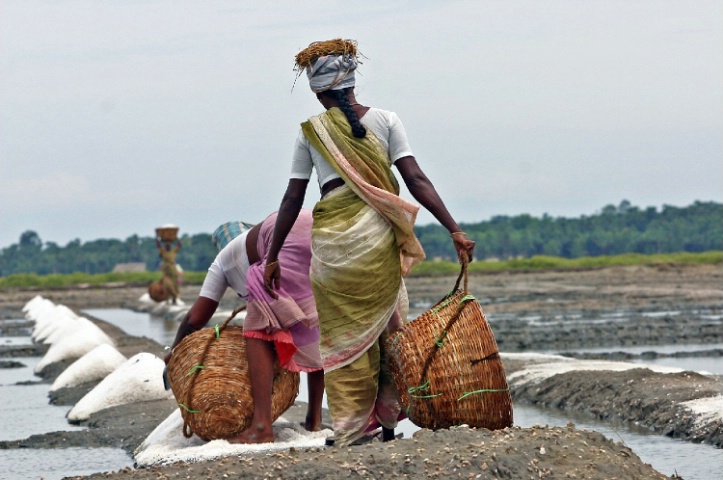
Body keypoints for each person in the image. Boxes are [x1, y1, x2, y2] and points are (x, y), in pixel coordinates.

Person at [263, 39, 476, 447]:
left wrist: (271, 257)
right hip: (376, 242)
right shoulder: (387, 120)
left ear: (317, 91)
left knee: (343, 336)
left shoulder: (310, 132)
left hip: (333, 251)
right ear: (353, 84)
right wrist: (454, 228)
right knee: (389, 328)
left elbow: (292, 199)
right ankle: (390, 422)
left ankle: (351, 427)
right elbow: (416, 179)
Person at [164, 209, 324, 444]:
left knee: (256, 329)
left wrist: (172, 352)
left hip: (289, 232)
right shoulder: (251, 243)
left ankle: (261, 426)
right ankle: (314, 420)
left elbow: (195, 319)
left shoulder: (224, 259)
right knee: (312, 325)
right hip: (316, 225)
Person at [155, 238, 182, 304]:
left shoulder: (173, 251)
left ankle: (174, 298)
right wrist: (158, 241)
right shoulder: (163, 252)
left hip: (173, 270)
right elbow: (159, 246)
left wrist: (177, 239)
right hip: (166, 270)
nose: (168, 247)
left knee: (174, 284)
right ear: (165, 247)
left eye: (169, 246)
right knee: (166, 284)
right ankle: (167, 299)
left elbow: (179, 245)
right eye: (167, 246)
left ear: (170, 247)